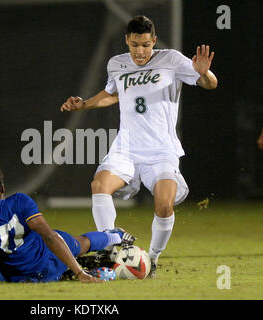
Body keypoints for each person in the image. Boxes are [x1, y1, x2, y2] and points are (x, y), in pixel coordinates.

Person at [60, 15, 217, 278]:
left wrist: (204, 72)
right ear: (127, 41)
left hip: (162, 151)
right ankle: (111, 246)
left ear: (153, 41)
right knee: (99, 186)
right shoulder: (117, 64)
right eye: (134, 45)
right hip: (127, 148)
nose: (140, 51)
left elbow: (209, 84)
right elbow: (112, 95)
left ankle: (151, 259)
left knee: (164, 205)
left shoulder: (172, 60)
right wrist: (84, 103)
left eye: (145, 45)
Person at [0, 160, 135, 284]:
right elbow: (49, 237)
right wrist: (80, 273)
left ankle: (76, 264)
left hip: (22, 278)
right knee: (79, 243)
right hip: (50, 261)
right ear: (2, 188)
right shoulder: (19, 201)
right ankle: (115, 235)